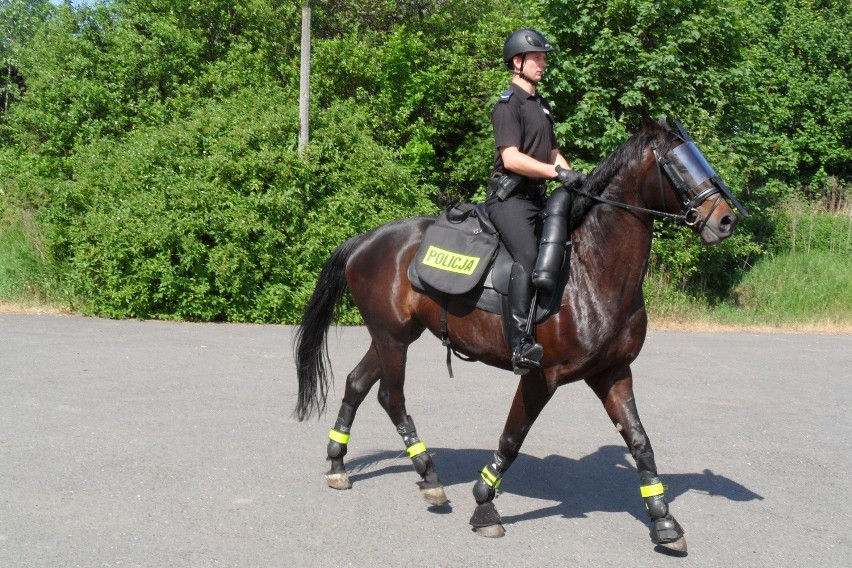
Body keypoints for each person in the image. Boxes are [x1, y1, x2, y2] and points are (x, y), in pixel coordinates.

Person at [486, 28, 583, 375]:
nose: (543, 63)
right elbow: (511, 159)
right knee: (529, 258)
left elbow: (553, 153)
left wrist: (576, 181)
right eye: (537, 57)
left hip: (536, 197)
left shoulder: (541, 105)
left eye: (544, 57)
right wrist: (555, 174)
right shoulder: (507, 106)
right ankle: (520, 343)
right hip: (509, 200)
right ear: (518, 62)